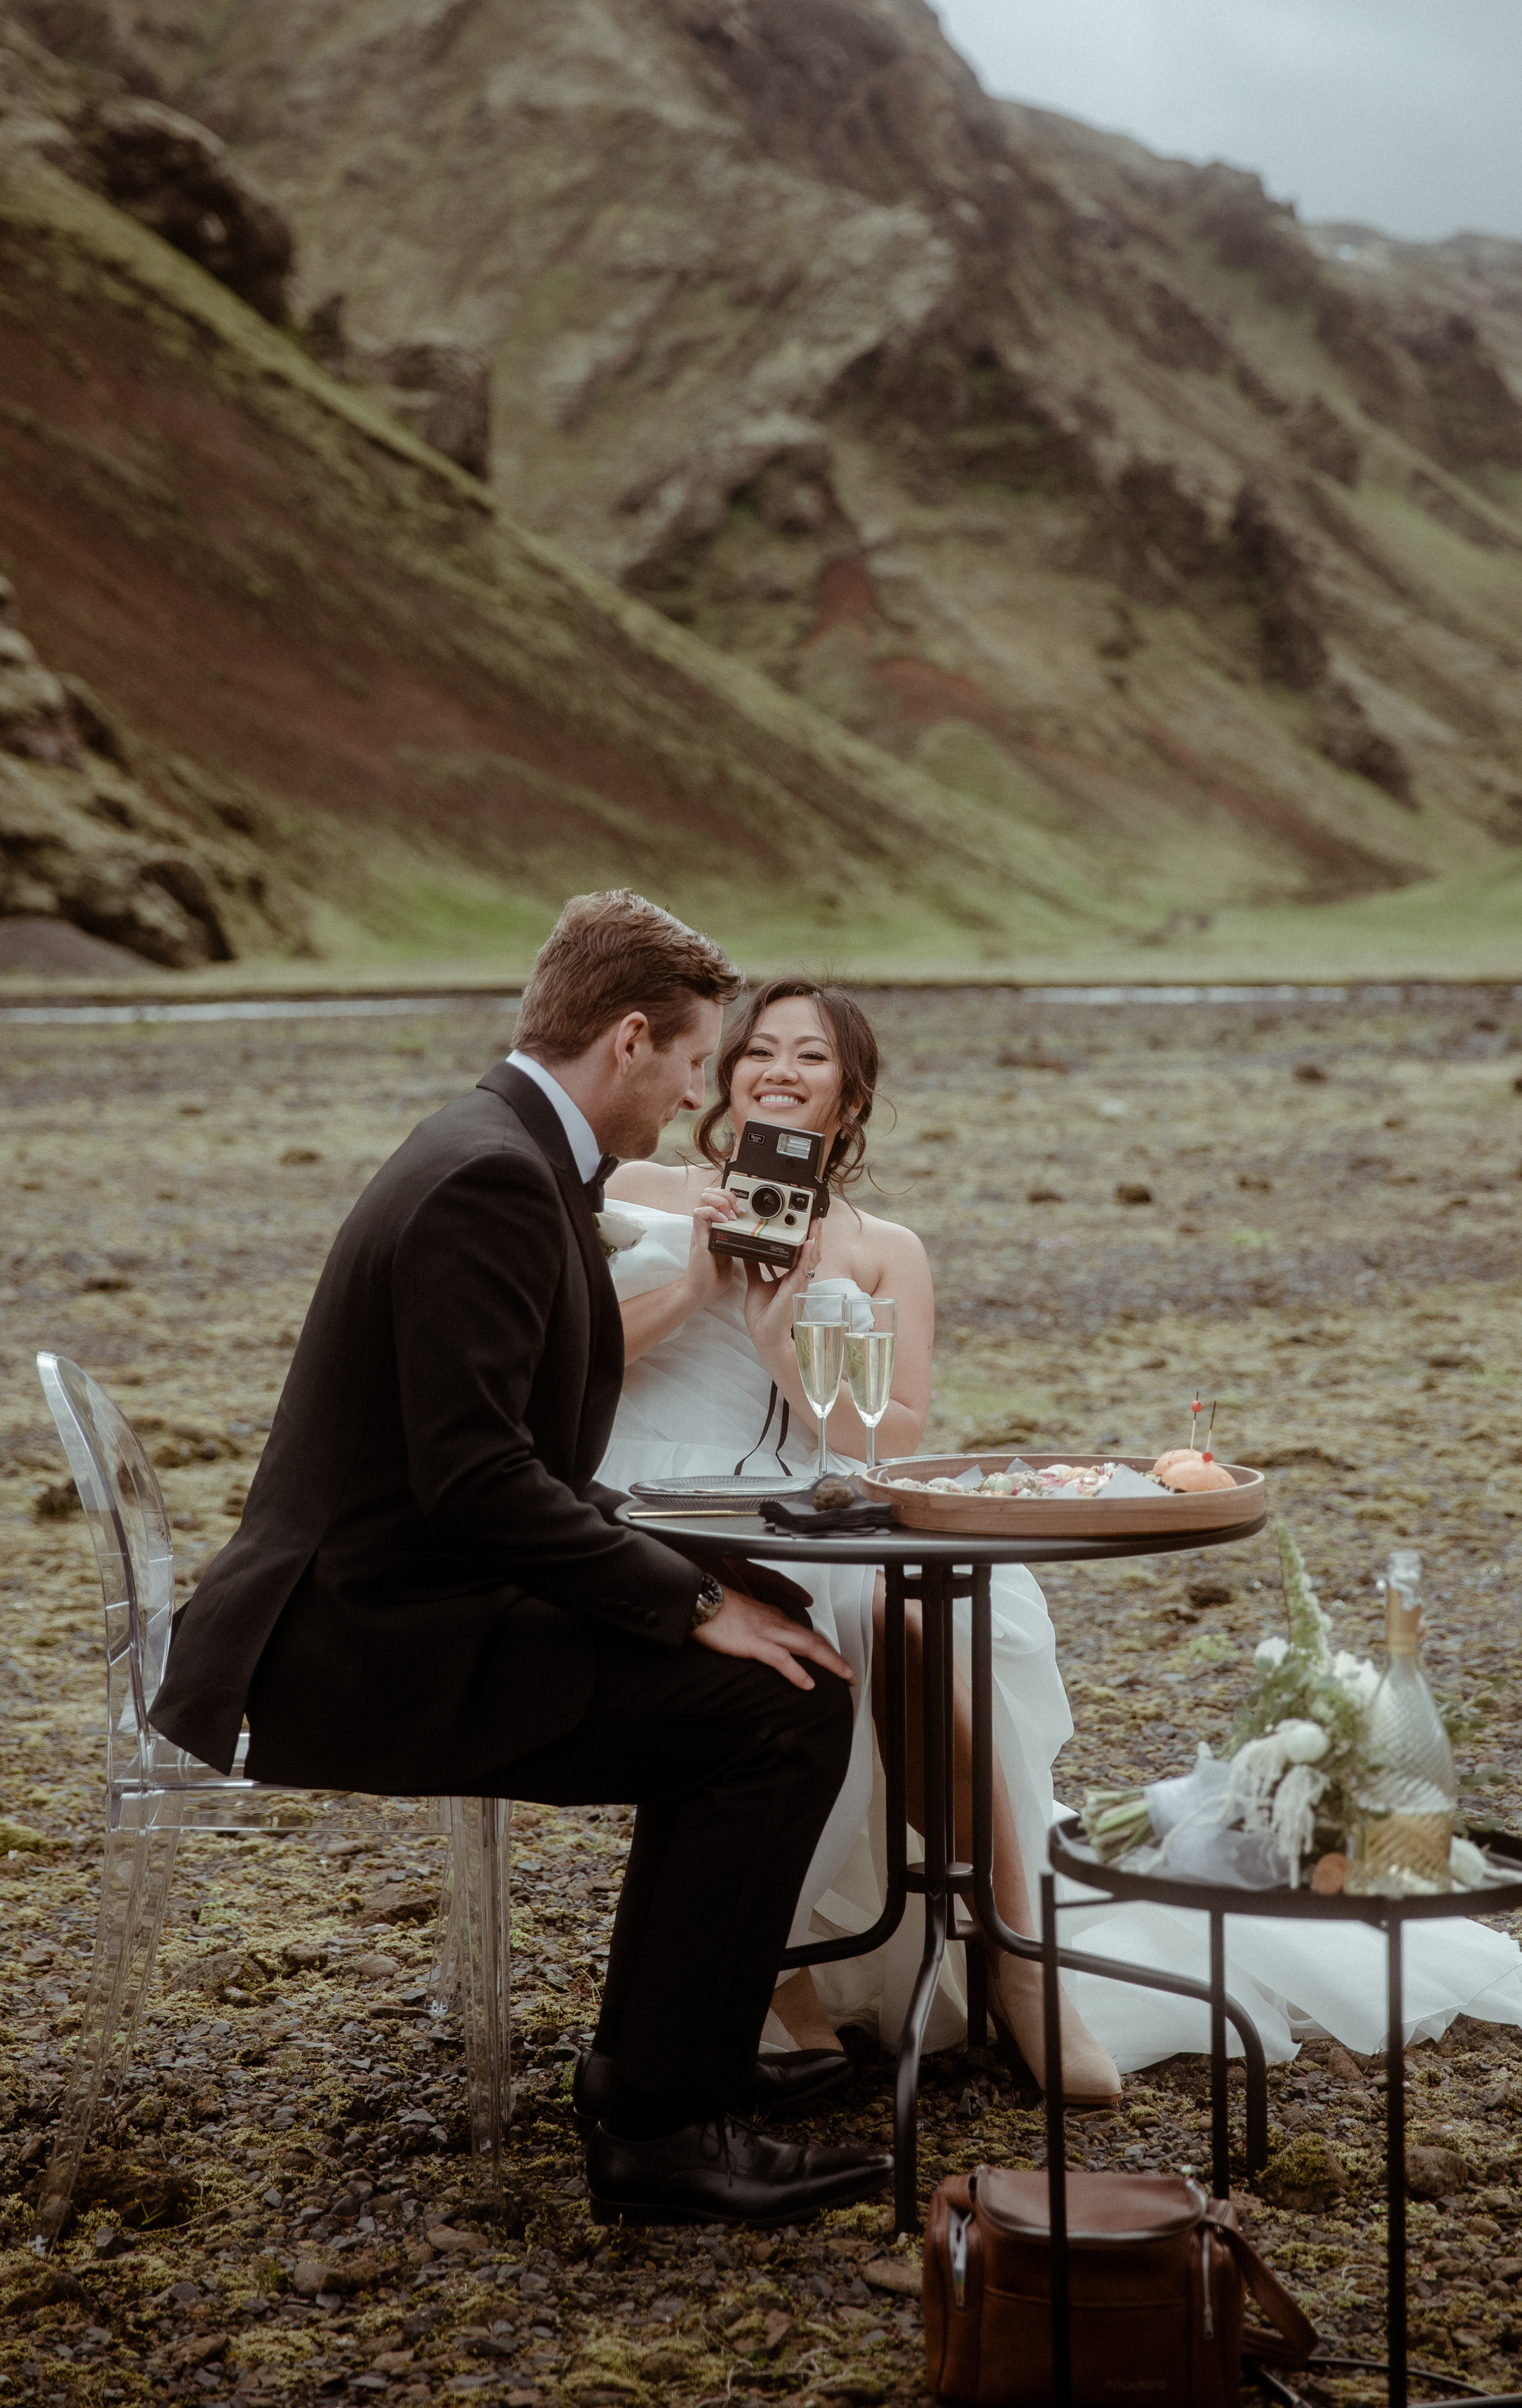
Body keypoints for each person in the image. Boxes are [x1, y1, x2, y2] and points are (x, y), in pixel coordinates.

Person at [151, 892, 891, 2227]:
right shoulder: (490, 1178)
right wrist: (691, 1601)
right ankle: (661, 2130)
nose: (694, 1096)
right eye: (689, 1062)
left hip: (418, 1590)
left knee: (773, 1631)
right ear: (627, 1040)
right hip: (368, 1639)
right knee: (779, 1709)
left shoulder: (497, 1145)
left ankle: (666, 2062)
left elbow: (501, 1470)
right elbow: (480, 1480)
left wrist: (716, 1585)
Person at [599, 977, 1124, 2104]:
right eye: (760, 1050)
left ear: (851, 1095)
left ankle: (1017, 1953)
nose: (780, 1071)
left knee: (911, 1610)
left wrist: (780, 1339)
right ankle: (777, 1968)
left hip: (813, 1496)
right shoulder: (639, 1189)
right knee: (840, 1618)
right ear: (725, 1073)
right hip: (653, 1503)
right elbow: (577, 1359)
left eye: (812, 1056)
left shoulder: (887, 1246)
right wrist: (698, 1282)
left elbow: (890, 1441)